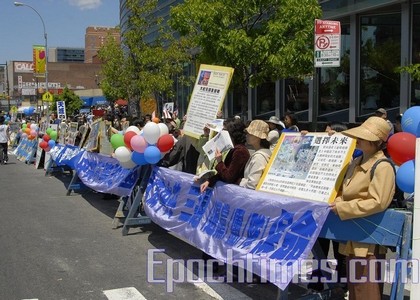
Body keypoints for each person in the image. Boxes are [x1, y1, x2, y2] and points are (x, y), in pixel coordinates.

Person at [329, 116, 395, 300]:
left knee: (366, 291)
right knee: (355, 289)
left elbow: (378, 201)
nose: (358, 139)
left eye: (363, 137)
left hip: (368, 240)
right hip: (353, 235)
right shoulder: (356, 162)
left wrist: (343, 207)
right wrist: (339, 201)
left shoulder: (382, 166)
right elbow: (344, 190)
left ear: (376, 142)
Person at [200, 118, 250, 193]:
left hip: (233, 193)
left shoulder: (240, 151)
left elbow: (229, 177)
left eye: (224, 131)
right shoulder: (235, 149)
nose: (222, 133)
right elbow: (224, 173)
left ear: (232, 133)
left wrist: (219, 162)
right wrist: (209, 181)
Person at [240, 120, 271, 189]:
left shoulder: (259, 157)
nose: (247, 135)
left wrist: (242, 181)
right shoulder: (266, 152)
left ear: (258, 137)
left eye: (250, 134)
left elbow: (252, 185)